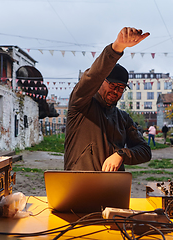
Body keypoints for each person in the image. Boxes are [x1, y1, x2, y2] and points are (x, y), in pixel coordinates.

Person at [64, 27, 151, 172]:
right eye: (112, 85)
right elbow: (93, 76)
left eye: (121, 88)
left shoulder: (123, 118)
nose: (116, 91)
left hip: (113, 186)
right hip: (79, 185)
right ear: (101, 82)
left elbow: (145, 150)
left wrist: (121, 155)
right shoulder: (80, 105)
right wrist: (117, 47)